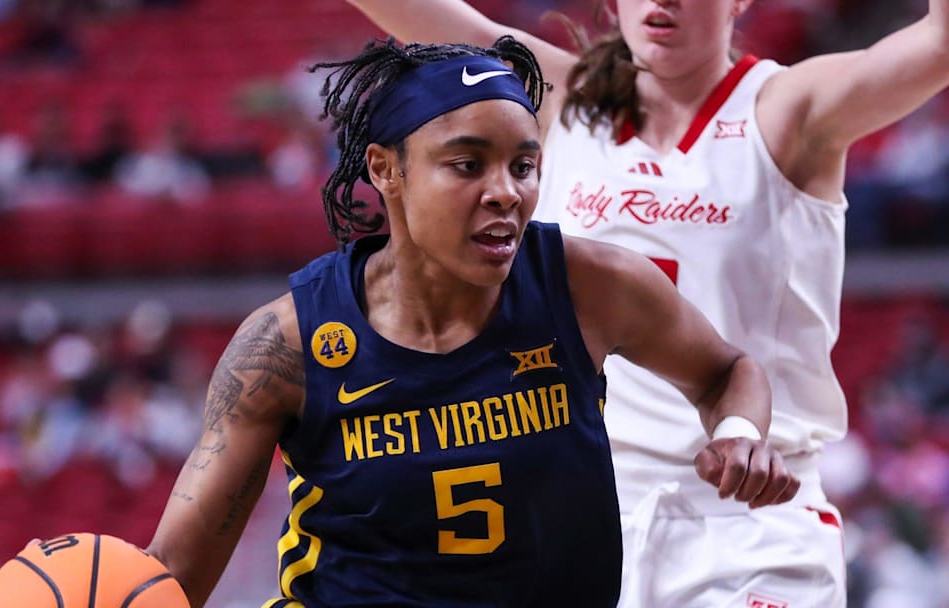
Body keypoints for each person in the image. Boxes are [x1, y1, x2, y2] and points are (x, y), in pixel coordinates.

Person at [145, 37, 800, 608]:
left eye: (523, 165)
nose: (505, 192)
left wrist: (740, 433)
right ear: (385, 169)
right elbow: (173, 577)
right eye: (467, 164)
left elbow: (726, 371)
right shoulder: (286, 344)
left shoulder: (590, 286)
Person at [343, 0, 949, 606]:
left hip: (749, 522)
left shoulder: (788, 107)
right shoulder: (556, 101)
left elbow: (939, 43)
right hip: (576, 524)